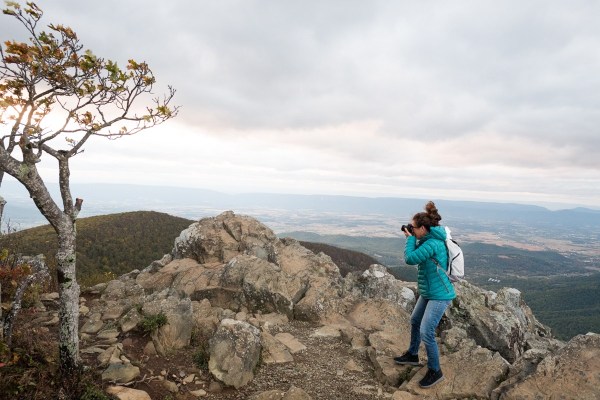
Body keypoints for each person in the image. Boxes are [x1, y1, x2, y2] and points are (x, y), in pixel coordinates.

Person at [394, 201, 456, 388]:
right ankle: (413, 354)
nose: (411, 230)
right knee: (415, 320)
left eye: (413, 227)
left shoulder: (433, 244)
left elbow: (410, 258)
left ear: (422, 228)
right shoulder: (427, 240)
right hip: (429, 291)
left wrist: (409, 238)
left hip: (440, 294)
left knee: (426, 331)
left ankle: (435, 371)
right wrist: (414, 236)